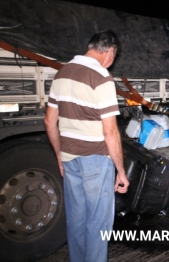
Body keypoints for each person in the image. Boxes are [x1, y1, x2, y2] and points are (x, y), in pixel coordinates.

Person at [44, 30, 129, 262]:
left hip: (69, 158)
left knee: (77, 219)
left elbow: (49, 120)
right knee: (98, 223)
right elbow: (110, 131)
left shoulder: (61, 73)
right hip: (96, 160)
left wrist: (60, 156)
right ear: (109, 52)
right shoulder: (101, 77)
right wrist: (121, 171)